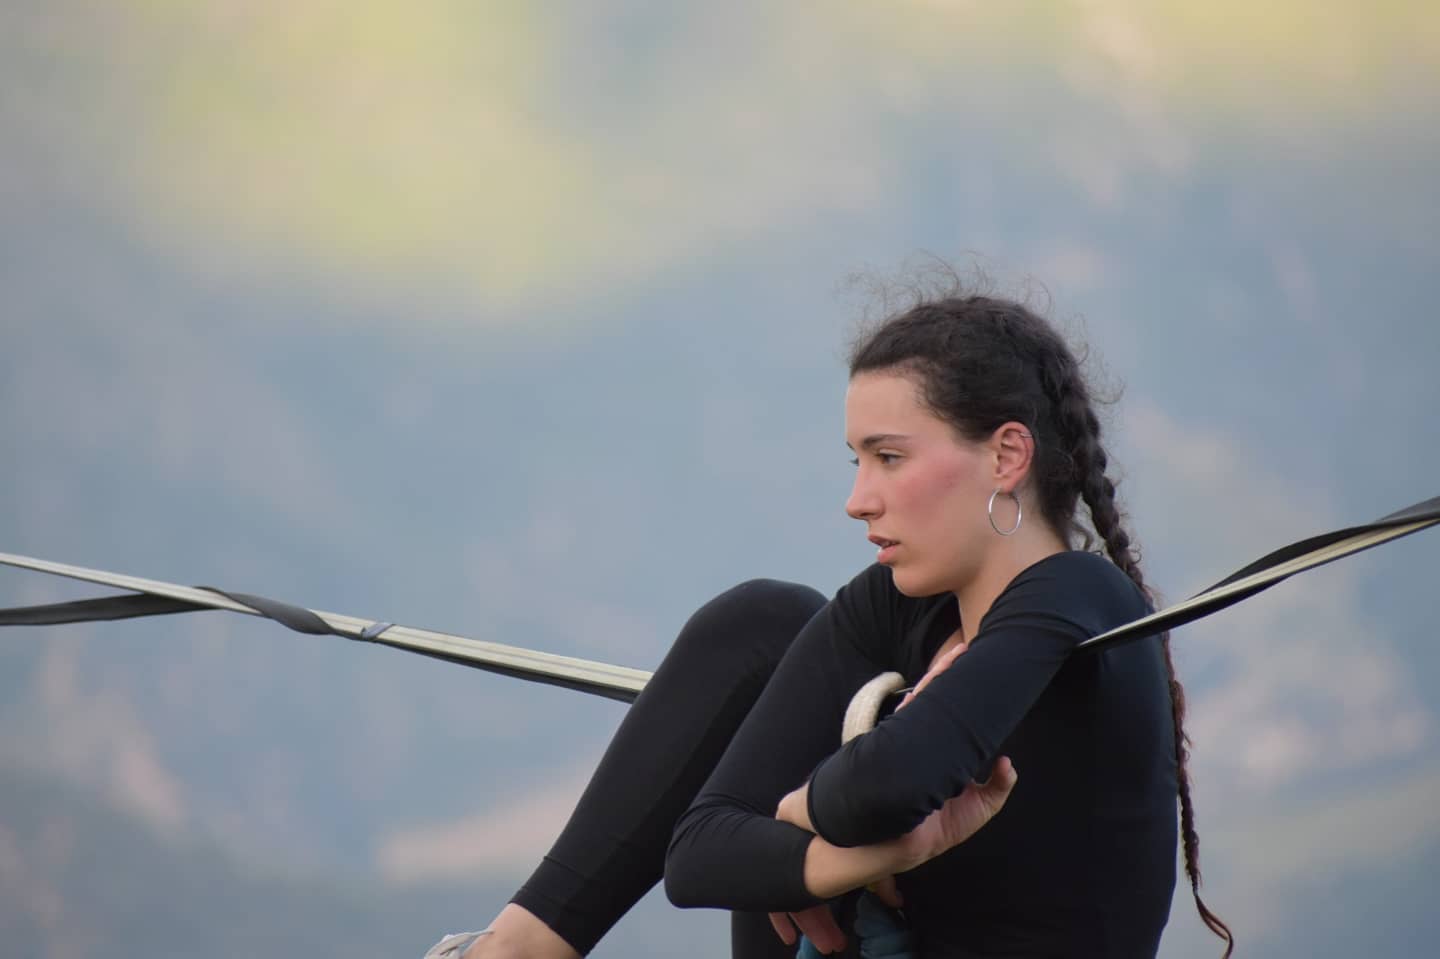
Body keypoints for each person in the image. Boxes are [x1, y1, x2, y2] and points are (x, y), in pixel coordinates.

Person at [429, 289, 1233, 959]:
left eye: (889, 457)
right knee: (763, 623)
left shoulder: (1079, 600)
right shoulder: (896, 605)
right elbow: (700, 854)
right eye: (856, 461)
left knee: (798, 795)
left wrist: (795, 822)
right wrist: (865, 856)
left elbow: (884, 786)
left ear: (1006, 456)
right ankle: (515, 950)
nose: (859, 498)